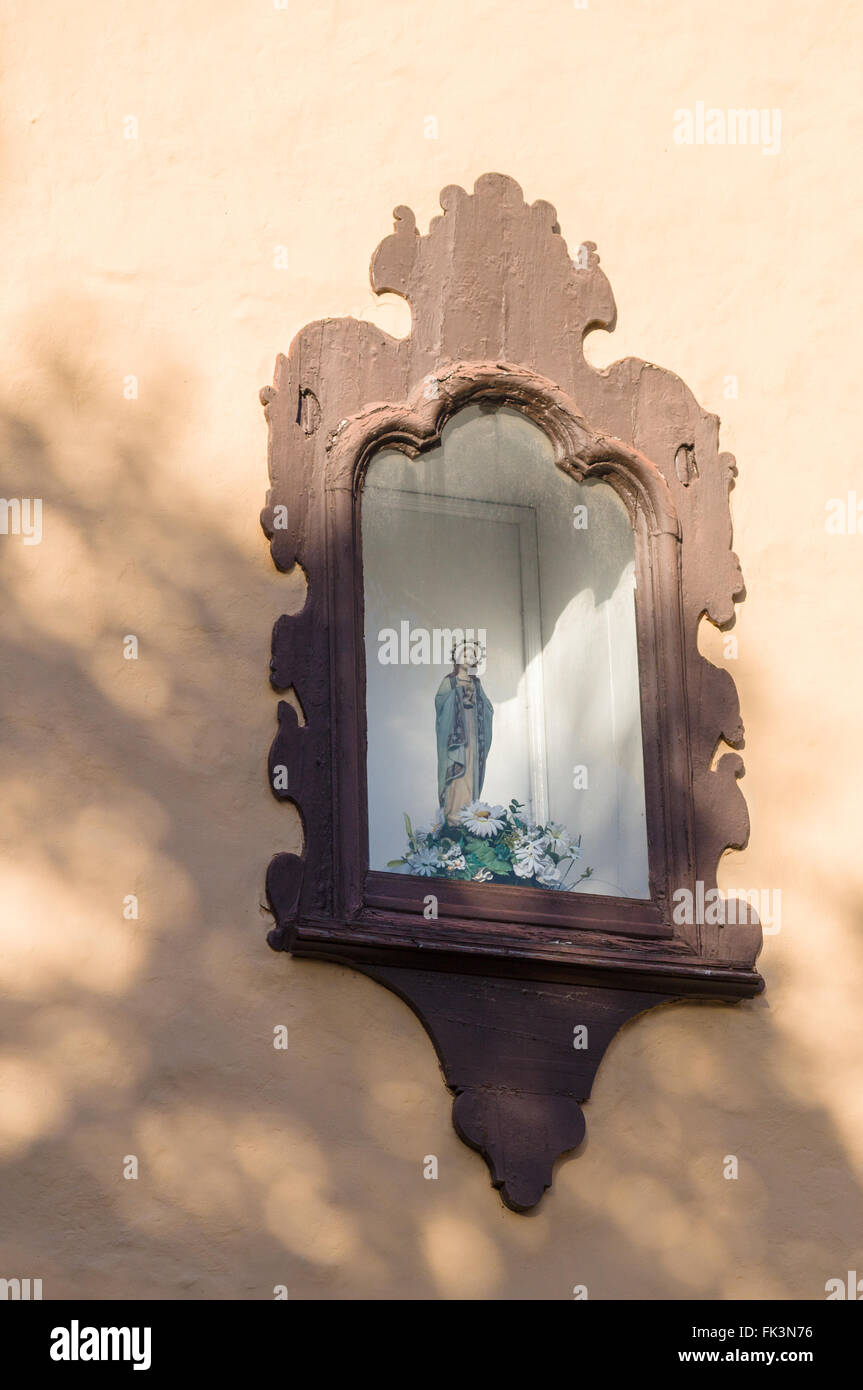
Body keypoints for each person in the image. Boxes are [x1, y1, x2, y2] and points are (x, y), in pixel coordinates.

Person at [435, 640, 493, 825]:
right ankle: (453, 816)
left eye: (472, 655)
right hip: (456, 739)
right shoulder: (449, 681)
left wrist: (475, 701)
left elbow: (488, 708)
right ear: (457, 657)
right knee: (457, 775)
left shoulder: (476, 683)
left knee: (470, 772)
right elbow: (440, 704)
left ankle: (468, 813)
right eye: (465, 655)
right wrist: (459, 694)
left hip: (473, 736)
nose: (469, 659)